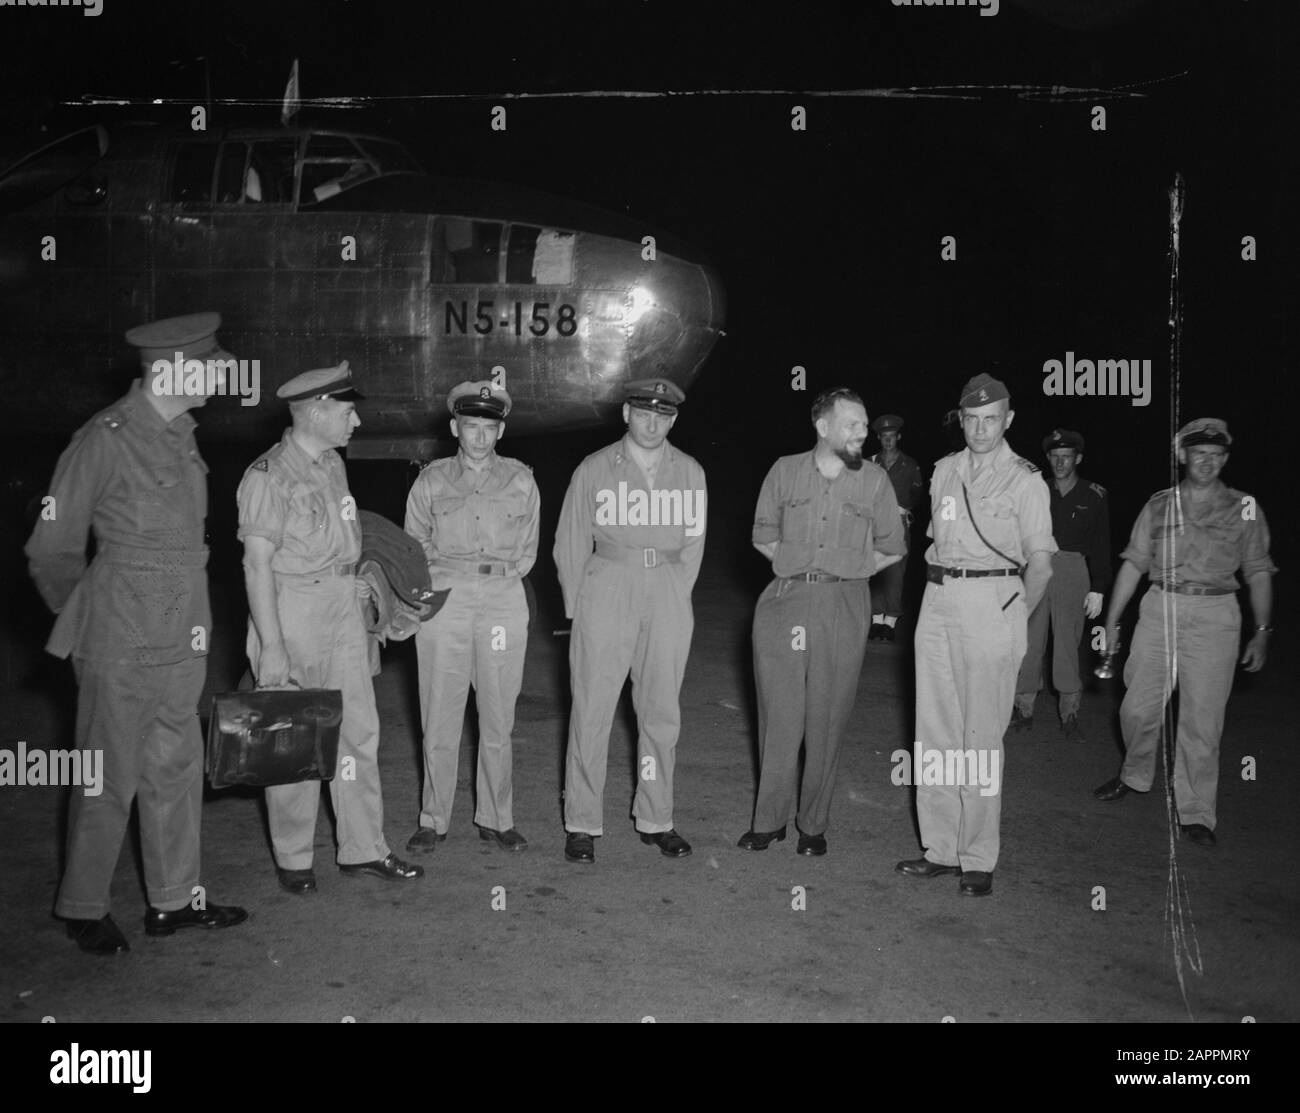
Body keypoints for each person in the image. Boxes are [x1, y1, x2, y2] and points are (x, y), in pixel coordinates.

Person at [25, 312, 248, 955]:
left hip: (183, 637)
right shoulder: (104, 438)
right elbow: (51, 547)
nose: (222, 372)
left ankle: (175, 899)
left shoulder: (181, 434)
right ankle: (84, 906)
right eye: (211, 364)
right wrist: (95, 617)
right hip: (119, 642)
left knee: (176, 771)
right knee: (107, 778)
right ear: (174, 370)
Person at [237, 362, 423, 893]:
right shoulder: (267, 476)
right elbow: (257, 566)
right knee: (294, 738)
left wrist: (365, 589)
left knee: (358, 732)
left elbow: (349, 539)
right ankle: (295, 860)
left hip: (343, 607)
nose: (357, 422)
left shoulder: (332, 466)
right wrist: (271, 645)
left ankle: (363, 848)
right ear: (316, 412)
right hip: (292, 611)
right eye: (347, 411)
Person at [895, 373, 1055, 897]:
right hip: (938, 600)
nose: (981, 429)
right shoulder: (944, 472)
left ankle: (978, 857)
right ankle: (940, 849)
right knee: (935, 730)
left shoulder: (1025, 480)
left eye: (992, 420)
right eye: (972, 419)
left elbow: (1042, 565)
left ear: (1008, 421)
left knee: (980, 738)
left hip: (994, 601)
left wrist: (1012, 616)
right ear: (960, 419)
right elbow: (935, 543)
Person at [1092, 418, 1274, 847]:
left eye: (1216, 455)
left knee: (1202, 719)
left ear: (1225, 458)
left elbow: (1259, 571)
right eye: (1199, 453)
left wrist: (1262, 630)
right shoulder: (1158, 504)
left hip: (1216, 614)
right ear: (1182, 456)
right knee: (1137, 706)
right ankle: (1134, 775)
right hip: (1160, 606)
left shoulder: (1244, 506)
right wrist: (1112, 621)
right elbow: (1134, 563)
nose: (1207, 462)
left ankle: (1196, 811)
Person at [739, 388, 905, 855]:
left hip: (844, 604)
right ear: (823, 426)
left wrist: (850, 572)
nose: (862, 433)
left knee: (827, 718)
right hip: (785, 601)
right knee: (779, 714)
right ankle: (768, 821)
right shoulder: (784, 471)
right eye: (852, 423)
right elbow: (762, 536)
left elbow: (893, 546)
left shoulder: (874, 481)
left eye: (864, 425)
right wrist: (796, 569)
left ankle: (812, 826)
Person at [554, 378, 707, 864]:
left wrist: (675, 596)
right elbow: (570, 542)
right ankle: (582, 822)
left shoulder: (690, 472)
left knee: (660, 712)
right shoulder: (596, 468)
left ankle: (656, 817)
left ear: (674, 420)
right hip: (608, 583)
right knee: (592, 707)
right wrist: (580, 608)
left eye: (663, 415)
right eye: (644, 413)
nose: (653, 422)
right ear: (626, 414)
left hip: (664, 587)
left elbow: (694, 544)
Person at [403, 381, 539, 853]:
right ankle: (433, 818)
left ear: (500, 431)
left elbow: (527, 552)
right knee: (439, 711)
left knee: (498, 714)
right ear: (454, 427)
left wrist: (497, 581)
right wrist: (442, 583)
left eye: (488, 428)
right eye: (470, 426)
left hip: (502, 596)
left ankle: (496, 818)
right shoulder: (432, 479)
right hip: (447, 597)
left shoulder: (521, 479)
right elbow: (412, 544)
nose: (479, 437)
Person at [1009, 429, 1111, 741]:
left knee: (1067, 642)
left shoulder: (1094, 494)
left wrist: (1098, 586)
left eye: (1066, 457)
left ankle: (1070, 712)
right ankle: (1023, 707)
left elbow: (1102, 542)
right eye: (1054, 457)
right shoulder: (1038, 489)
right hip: (1036, 565)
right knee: (1028, 640)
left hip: (1072, 569)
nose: (1060, 462)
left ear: (1078, 458)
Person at [868, 413, 923, 642]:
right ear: (879, 438)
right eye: (884, 437)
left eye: (892, 436)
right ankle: (876, 621)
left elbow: (916, 494)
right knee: (875, 570)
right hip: (874, 523)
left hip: (899, 522)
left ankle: (890, 622)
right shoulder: (870, 463)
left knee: (896, 572)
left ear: (898, 437)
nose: (888, 441)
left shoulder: (909, 464)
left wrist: (905, 510)